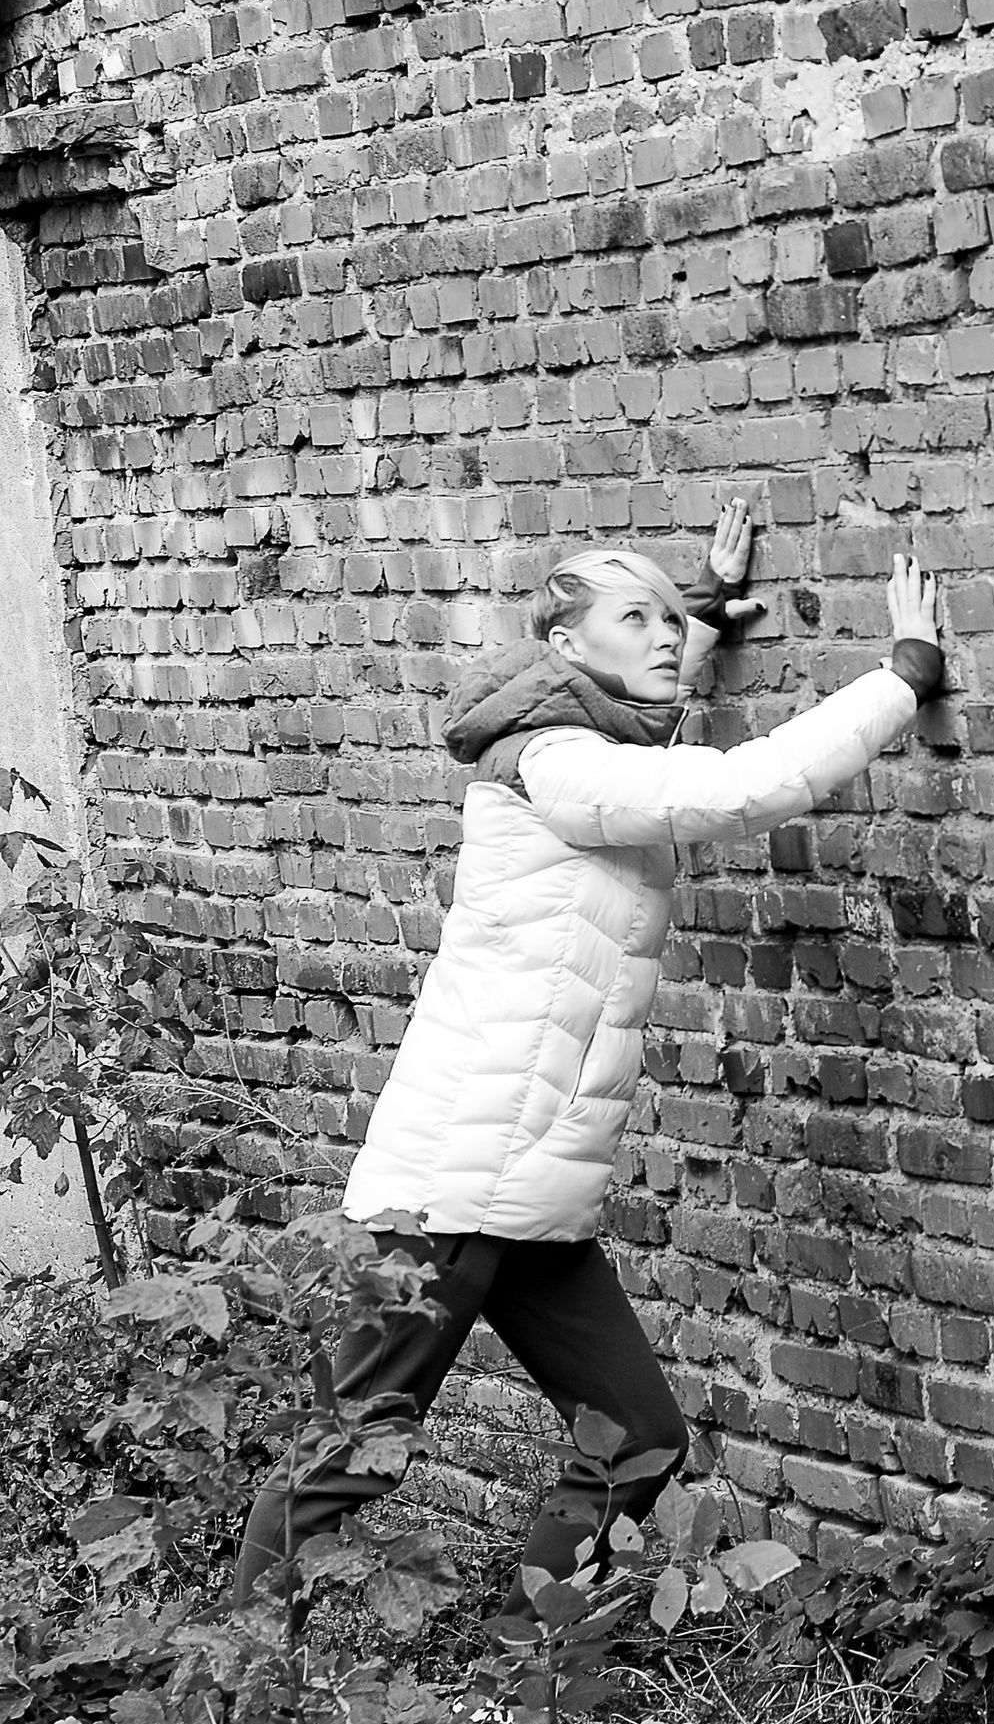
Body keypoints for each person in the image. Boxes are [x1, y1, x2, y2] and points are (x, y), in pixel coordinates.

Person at [230, 507, 946, 1606]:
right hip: (454, 1192)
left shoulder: (584, 749)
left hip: (530, 1189)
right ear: (565, 647)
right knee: (349, 1457)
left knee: (636, 1439)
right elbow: (721, 788)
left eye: (667, 618)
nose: (661, 636)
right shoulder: (556, 766)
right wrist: (900, 676)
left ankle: (538, 1673)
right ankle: (218, 1713)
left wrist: (694, 614)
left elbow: (643, 747)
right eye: (634, 617)